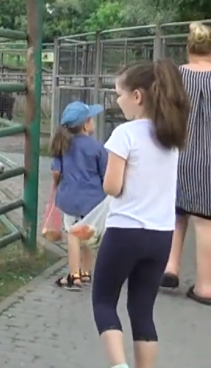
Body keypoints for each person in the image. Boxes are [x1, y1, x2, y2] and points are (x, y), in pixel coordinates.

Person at [92, 59, 190, 368]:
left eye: (119, 94)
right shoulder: (170, 136)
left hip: (125, 231)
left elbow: (112, 186)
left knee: (104, 301)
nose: (117, 100)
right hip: (161, 235)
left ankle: (119, 365)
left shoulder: (126, 133)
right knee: (143, 309)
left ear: (137, 96)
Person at [162, 20, 211, 304]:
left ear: (188, 47)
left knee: (175, 213)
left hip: (177, 155)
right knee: (205, 223)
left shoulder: (177, 77)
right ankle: (205, 286)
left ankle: (169, 268)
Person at [49, 100, 108, 290]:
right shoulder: (97, 147)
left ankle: (73, 274)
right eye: (91, 119)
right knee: (88, 235)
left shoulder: (62, 145)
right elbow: (105, 174)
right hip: (93, 200)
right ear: (85, 124)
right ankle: (85, 272)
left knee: (73, 235)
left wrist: (57, 184)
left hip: (70, 199)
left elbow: (56, 171)